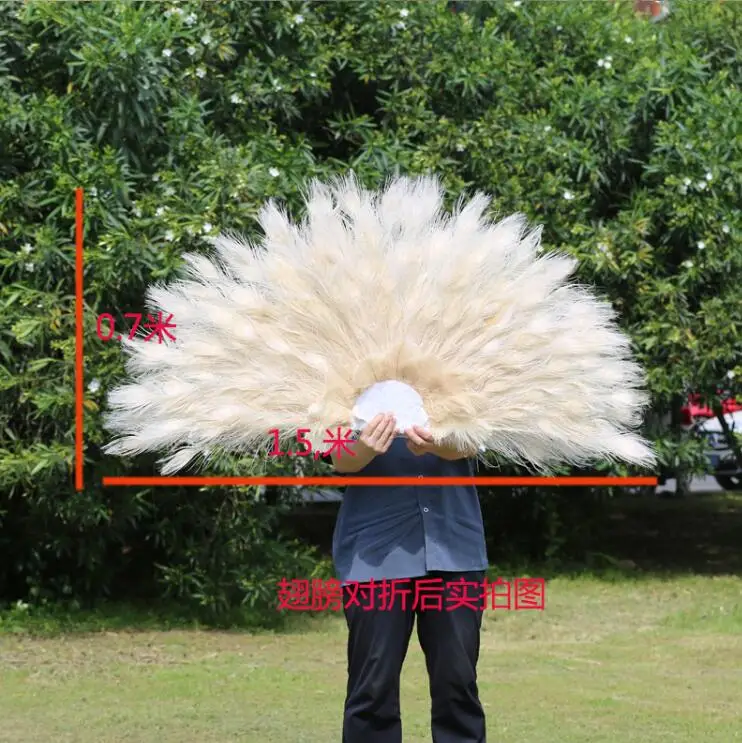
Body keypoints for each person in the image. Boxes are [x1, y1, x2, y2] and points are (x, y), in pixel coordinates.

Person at [329, 412, 488, 743]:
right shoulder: (341, 372)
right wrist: (365, 448)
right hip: (373, 552)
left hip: (453, 547)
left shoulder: (462, 366)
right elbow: (336, 456)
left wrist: (441, 445)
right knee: (372, 688)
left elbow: (473, 442)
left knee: (457, 683)